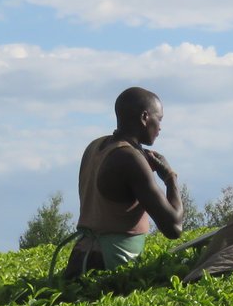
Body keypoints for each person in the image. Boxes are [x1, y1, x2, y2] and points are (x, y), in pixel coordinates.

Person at [64, 87, 185, 278]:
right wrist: (170, 178)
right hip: (109, 264)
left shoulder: (95, 146)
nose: (160, 127)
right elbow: (174, 228)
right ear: (145, 117)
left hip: (80, 258)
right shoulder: (129, 158)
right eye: (159, 119)